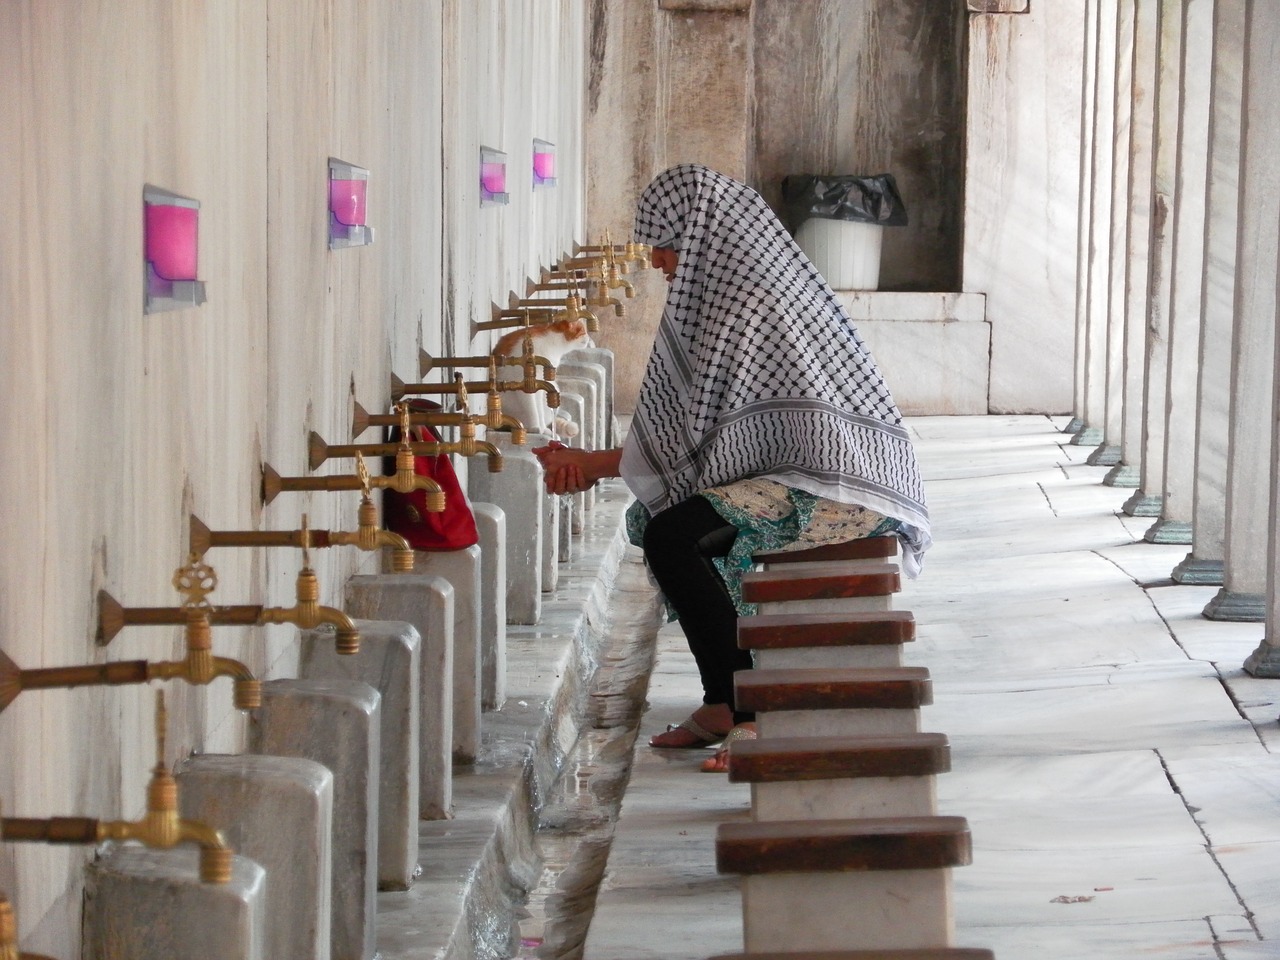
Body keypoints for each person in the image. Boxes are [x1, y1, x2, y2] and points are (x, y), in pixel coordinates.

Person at [534, 163, 930, 772]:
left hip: (837, 487)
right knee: (665, 529)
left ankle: (747, 708)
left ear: (695, 235)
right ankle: (725, 700)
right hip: (808, 470)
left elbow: (715, 440)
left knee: (674, 534)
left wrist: (592, 464)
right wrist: (595, 463)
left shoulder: (744, 300)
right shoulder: (737, 284)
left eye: (662, 245)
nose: (658, 262)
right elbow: (702, 436)